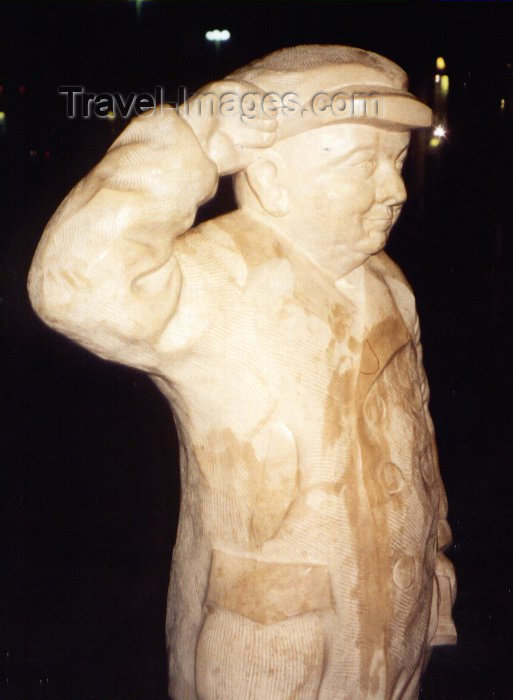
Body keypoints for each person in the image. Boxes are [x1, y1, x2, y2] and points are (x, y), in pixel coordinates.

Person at [28, 45, 456, 699]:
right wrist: (189, 143)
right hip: (276, 637)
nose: (392, 190)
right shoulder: (219, 277)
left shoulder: (389, 286)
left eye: (395, 161)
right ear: (270, 177)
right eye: (358, 164)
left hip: (389, 624)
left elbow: (414, 437)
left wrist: (434, 566)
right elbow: (75, 285)